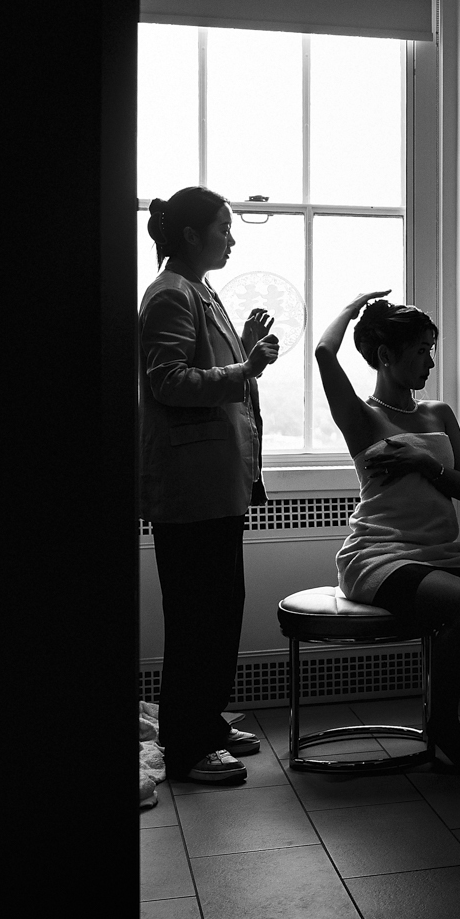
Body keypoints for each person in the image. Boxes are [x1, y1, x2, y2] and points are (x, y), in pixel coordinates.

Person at [317, 290, 460, 769]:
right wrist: (355, 308)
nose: (430, 362)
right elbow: (324, 353)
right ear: (387, 357)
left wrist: (420, 460)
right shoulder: (362, 417)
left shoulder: (439, 414)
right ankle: (443, 721)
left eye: (431, 349)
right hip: (379, 555)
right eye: (421, 351)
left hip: (442, 556)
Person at [140, 186, 280, 785]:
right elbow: (167, 380)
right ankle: (188, 742)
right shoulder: (171, 294)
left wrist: (244, 353)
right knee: (198, 616)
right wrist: (245, 368)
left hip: (215, 484)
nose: (232, 236)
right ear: (192, 235)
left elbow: (213, 375)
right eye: (223, 226)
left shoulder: (201, 290)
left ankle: (205, 720)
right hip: (190, 489)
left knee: (221, 611)